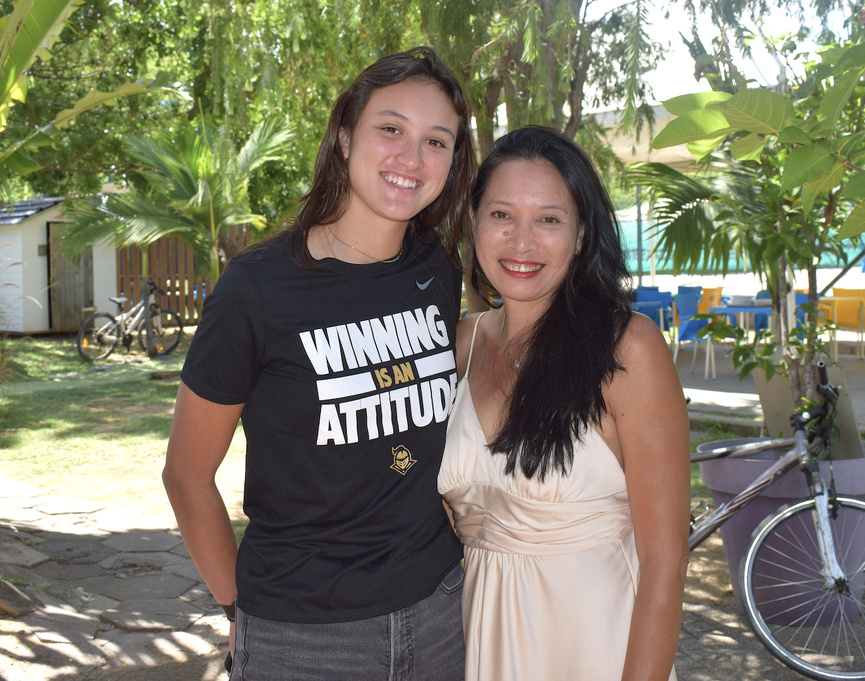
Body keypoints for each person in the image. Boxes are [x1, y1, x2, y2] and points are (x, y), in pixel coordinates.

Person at [163, 46, 476, 680]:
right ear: (343, 135)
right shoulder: (257, 288)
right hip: (301, 635)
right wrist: (238, 608)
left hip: (442, 612)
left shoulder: (437, 272)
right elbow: (186, 475)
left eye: (436, 141)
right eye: (391, 128)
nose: (411, 159)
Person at [437, 126, 690, 681]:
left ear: (580, 236)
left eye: (549, 219)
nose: (521, 242)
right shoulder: (458, 345)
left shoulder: (628, 348)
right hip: (480, 642)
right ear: (474, 224)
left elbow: (664, 565)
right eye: (501, 215)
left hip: (598, 645)